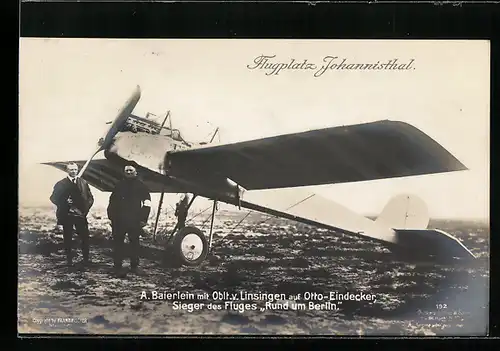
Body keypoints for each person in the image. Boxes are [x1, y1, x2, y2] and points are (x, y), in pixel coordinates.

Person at [107, 163, 151, 277]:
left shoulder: (141, 186)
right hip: (119, 221)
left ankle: (134, 267)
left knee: (134, 244)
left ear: (136, 172)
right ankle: (117, 267)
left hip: (134, 221)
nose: (129, 173)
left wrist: (143, 219)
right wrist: (111, 217)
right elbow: (112, 202)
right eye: (127, 171)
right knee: (118, 245)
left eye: (131, 171)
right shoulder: (119, 185)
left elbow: (147, 203)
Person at [49, 162, 94, 267]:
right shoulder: (61, 184)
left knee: (85, 237)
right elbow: (53, 198)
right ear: (67, 170)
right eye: (71, 169)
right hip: (67, 215)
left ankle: (86, 260)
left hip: (80, 215)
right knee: (68, 238)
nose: (73, 171)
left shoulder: (83, 182)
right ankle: (69, 261)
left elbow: (90, 198)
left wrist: (84, 210)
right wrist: (64, 202)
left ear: (77, 170)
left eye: (75, 169)